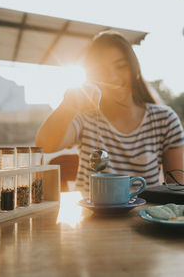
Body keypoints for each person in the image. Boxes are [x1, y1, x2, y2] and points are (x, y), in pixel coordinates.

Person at [36, 30, 184, 196]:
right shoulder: (85, 117)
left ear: (135, 69)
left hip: (143, 219)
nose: (112, 77)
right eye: (101, 70)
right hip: (89, 219)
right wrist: (68, 104)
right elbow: (45, 145)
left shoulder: (164, 120)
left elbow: (177, 188)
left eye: (121, 66)